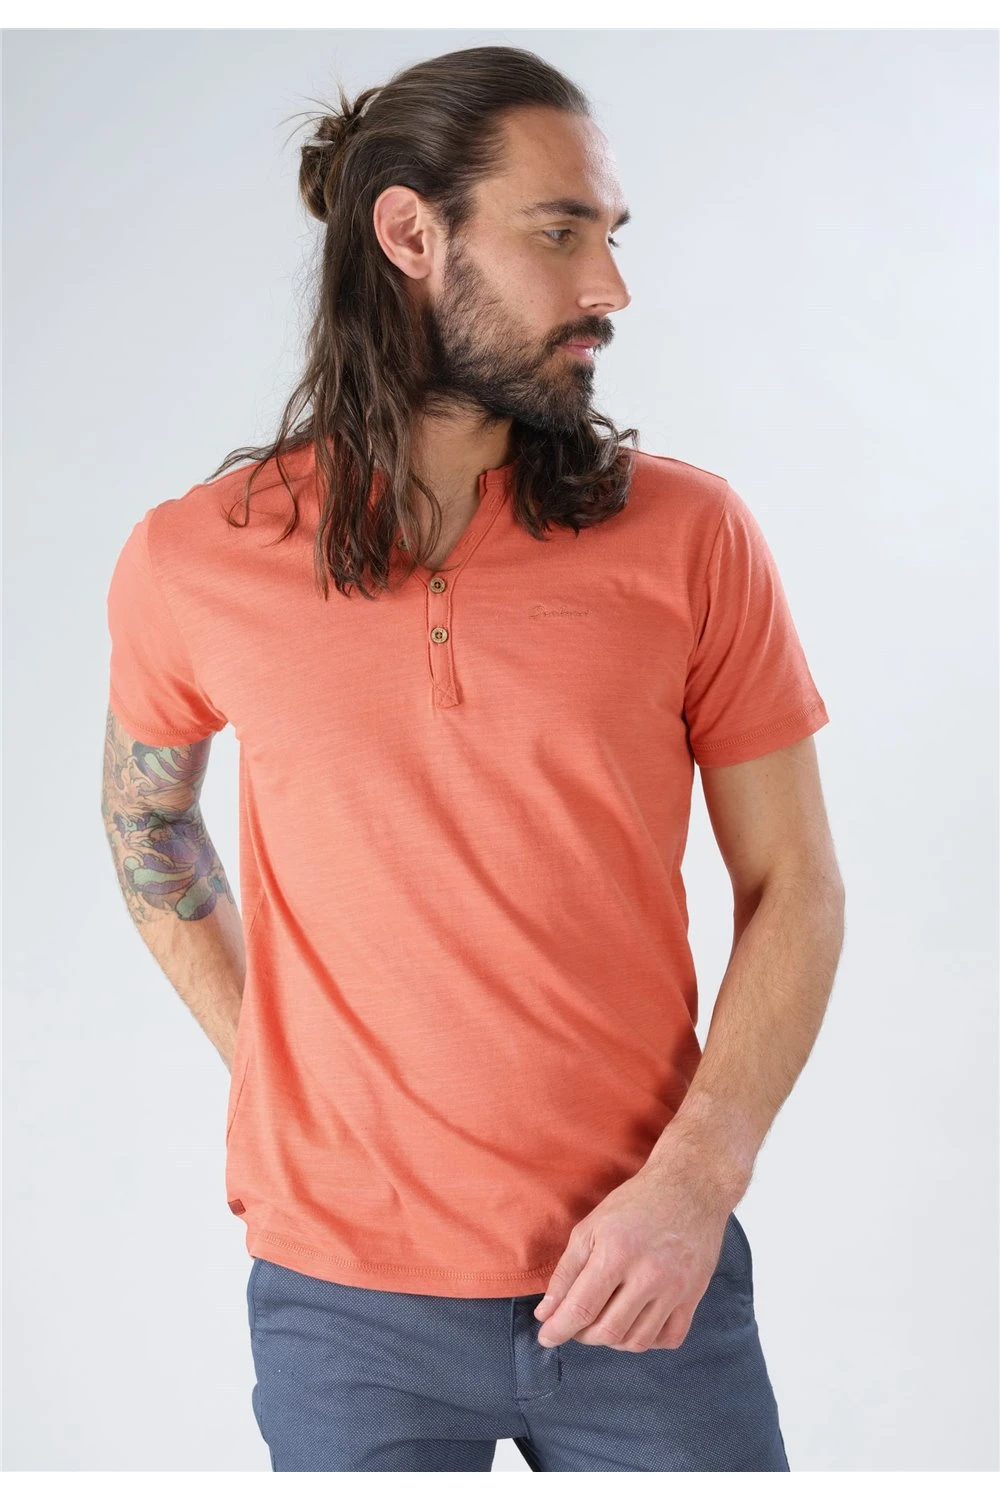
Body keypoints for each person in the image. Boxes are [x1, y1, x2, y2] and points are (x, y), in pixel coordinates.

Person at [101, 44, 844, 1473]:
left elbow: (797, 884)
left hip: (648, 1278)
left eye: (611, 236)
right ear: (409, 234)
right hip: (343, 1310)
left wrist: (696, 1183)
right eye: (560, 233)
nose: (609, 287)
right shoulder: (195, 558)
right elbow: (150, 824)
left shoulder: (692, 535)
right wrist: (275, 1067)